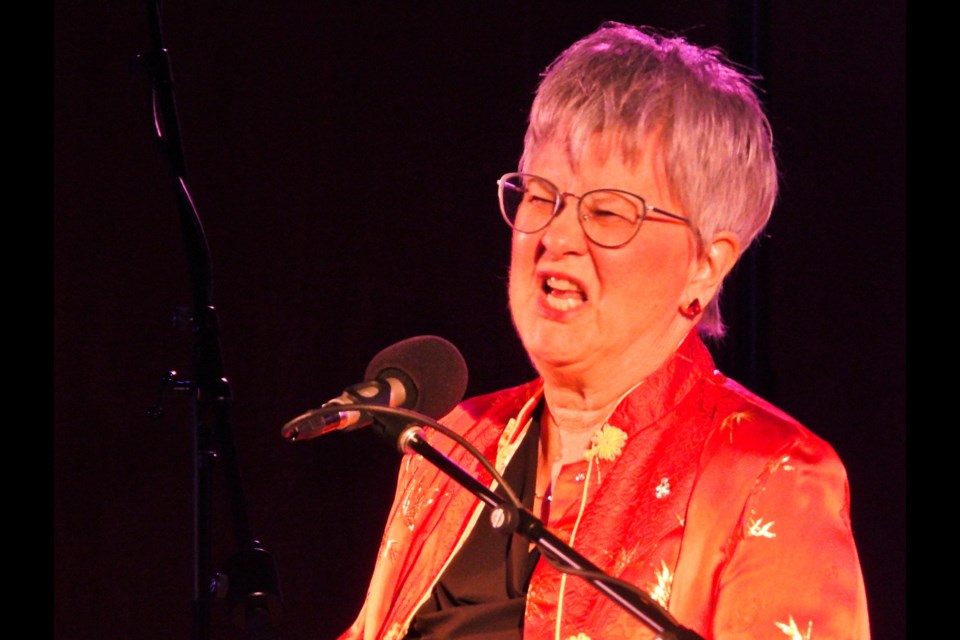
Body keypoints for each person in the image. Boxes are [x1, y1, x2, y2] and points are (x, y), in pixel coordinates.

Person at [339, 22, 869, 640]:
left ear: (707, 263)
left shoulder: (770, 474)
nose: (557, 239)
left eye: (608, 212)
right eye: (540, 196)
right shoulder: (452, 446)